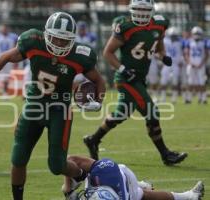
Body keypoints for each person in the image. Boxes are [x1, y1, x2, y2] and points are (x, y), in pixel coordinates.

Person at [0, 12, 106, 200]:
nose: (59, 44)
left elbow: (99, 80)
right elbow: (6, 56)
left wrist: (98, 101)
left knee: (56, 165)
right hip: (34, 105)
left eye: (64, 40)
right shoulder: (33, 42)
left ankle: (81, 175)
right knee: (18, 158)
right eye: (55, 38)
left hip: (59, 109)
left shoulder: (80, 56)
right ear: (47, 34)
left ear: (72, 40)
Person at [83, 0, 188, 165]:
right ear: (131, 10)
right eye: (137, 9)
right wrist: (123, 69)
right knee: (152, 112)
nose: (141, 13)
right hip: (126, 79)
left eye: (144, 9)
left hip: (140, 78)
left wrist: (163, 56)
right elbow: (108, 53)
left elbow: (158, 45)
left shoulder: (159, 25)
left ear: (151, 11)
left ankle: (93, 139)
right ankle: (165, 154)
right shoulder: (125, 26)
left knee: (121, 114)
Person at [62, 155, 204, 200]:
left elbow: (70, 159)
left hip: (122, 177)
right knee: (144, 194)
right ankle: (188, 196)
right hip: (126, 185)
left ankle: (188, 196)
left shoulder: (105, 170)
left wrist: (68, 190)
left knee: (143, 193)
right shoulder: (106, 171)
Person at [0, 24, 18, 95]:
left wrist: (15, 60)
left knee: (6, 77)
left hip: (8, 60)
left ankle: (5, 92)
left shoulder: (13, 37)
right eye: (3, 28)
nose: (4, 30)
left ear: (8, 29)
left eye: (6, 28)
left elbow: (15, 48)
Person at [183, 26, 209, 104]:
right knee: (190, 82)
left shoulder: (204, 42)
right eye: (195, 33)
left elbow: (207, 54)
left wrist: (202, 63)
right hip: (192, 64)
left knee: (201, 82)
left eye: (198, 33)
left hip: (200, 65)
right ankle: (189, 98)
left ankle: (203, 98)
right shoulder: (189, 41)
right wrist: (190, 62)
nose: (196, 35)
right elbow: (186, 54)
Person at [159, 27, 185, 103]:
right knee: (163, 81)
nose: (173, 37)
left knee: (175, 81)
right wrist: (162, 60)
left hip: (176, 64)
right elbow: (162, 51)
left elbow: (183, 52)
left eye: (174, 36)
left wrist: (181, 60)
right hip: (167, 63)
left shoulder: (180, 42)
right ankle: (163, 97)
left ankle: (174, 98)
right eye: (172, 36)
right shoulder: (165, 41)